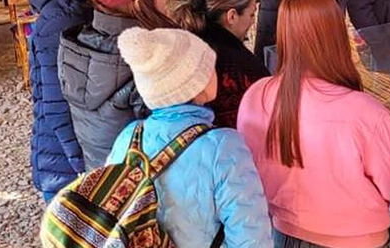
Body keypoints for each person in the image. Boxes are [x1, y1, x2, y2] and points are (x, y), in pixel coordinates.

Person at [238, 0, 390, 248]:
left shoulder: (256, 96)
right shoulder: (367, 113)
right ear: (337, 36)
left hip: (282, 234)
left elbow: (250, 168)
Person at [109, 27, 272, 247]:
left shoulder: (128, 138)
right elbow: (252, 239)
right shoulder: (224, 146)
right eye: (209, 68)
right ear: (196, 85)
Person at [58, 0, 181, 169]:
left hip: (104, 180)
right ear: (138, 5)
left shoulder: (77, 46)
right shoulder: (143, 59)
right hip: (147, 186)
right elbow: (173, 134)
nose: (166, 2)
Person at [29, 0, 122, 201]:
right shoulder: (65, 16)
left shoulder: (80, 4)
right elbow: (57, 101)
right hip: (65, 165)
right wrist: (83, 169)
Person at [175, 0, 269, 129]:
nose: (252, 22)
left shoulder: (183, 44)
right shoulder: (240, 64)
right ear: (232, 16)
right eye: (251, 14)